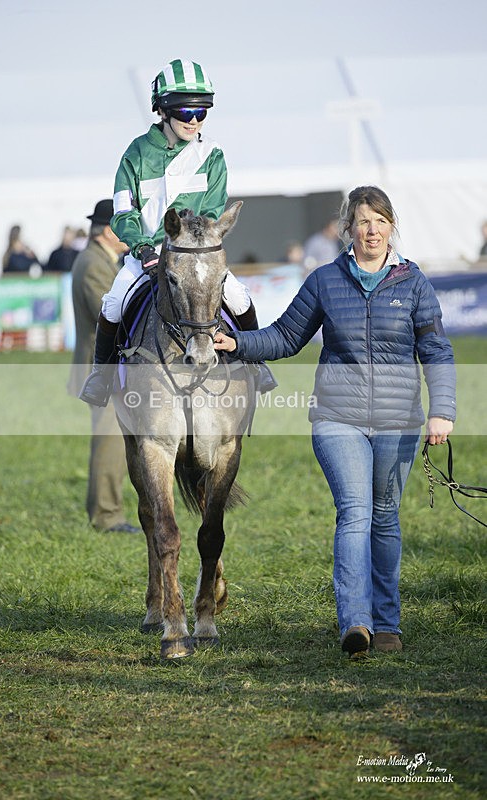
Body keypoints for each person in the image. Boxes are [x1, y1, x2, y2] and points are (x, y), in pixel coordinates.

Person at [214, 185, 456, 659]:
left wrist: (442, 409)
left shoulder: (413, 282)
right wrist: (237, 345)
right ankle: (357, 623)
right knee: (354, 511)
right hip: (337, 418)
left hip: (398, 421)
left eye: (381, 221)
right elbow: (286, 336)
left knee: (384, 519)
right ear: (348, 228)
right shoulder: (326, 280)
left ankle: (388, 623)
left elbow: (436, 350)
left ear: (392, 228)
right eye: (363, 221)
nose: (372, 230)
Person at [79, 58, 274, 407]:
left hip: (195, 253)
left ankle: (256, 366)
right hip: (146, 254)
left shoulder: (212, 155)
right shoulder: (135, 154)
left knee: (240, 298)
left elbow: (213, 211)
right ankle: (101, 377)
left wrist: (189, 244)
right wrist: (143, 249)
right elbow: (123, 213)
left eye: (203, 112)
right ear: (164, 110)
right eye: (186, 112)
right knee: (112, 305)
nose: (195, 120)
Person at [68, 199, 140, 534]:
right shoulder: (94, 263)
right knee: (110, 443)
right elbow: (110, 315)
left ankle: (104, 510)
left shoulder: (100, 260)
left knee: (113, 440)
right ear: (109, 230)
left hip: (107, 368)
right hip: (103, 370)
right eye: (127, 226)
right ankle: (107, 517)